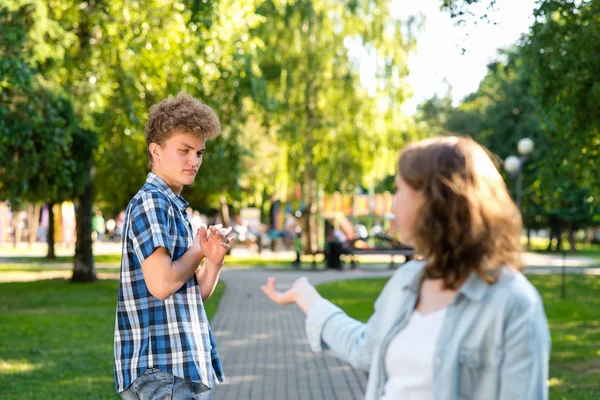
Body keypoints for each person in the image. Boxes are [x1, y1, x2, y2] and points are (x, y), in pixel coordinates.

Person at [261, 136, 551, 400]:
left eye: (399, 191)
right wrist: (307, 298)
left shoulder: (513, 304)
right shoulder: (407, 280)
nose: (393, 207)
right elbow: (366, 349)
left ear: (434, 200)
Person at [114, 92, 235, 400]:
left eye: (199, 152)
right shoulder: (152, 202)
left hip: (180, 366)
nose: (194, 161)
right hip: (162, 369)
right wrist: (197, 250)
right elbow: (163, 283)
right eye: (184, 150)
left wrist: (214, 260)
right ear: (156, 150)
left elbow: (194, 293)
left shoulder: (173, 206)